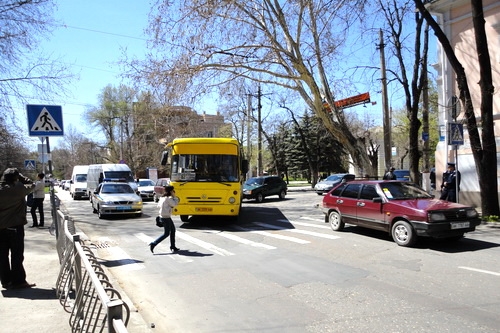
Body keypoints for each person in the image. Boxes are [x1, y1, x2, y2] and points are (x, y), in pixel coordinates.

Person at [0, 168, 36, 289]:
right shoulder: (17, 189)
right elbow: (32, 185)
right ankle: (18, 281)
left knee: (2, 256)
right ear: (15, 178)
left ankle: (5, 281)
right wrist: (22, 178)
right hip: (15, 227)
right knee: (17, 255)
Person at [149, 185, 180, 253]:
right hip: (166, 217)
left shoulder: (162, 197)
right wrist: (174, 196)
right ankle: (154, 243)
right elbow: (175, 204)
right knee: (166, 234)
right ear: (171, 191)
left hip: (163, 216)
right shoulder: (168, 198)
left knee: (173, 230)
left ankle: (173, 246)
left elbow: (158, 206)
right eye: (173, 191)